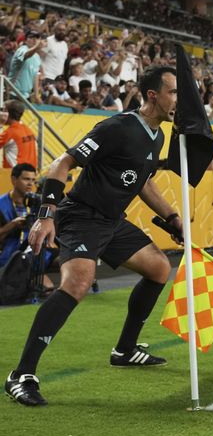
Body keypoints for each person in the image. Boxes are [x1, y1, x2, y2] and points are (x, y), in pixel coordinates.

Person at [4, 66, 184, 406]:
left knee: (159, 268)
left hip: (112, 221)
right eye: (174, 92)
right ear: (153, 95)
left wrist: (173, 218)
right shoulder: (118, 127)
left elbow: (144, 182)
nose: (179, 99)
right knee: (77, 283)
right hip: (81, 216)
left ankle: (125, 350)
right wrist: (46, 216)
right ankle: (21, 374)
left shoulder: (157, 135)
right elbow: (62, 163)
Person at [8, 30, 45, 102]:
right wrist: (37, 46)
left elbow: (35, 75)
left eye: (37, 38)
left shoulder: (37, 57)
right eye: (31, 37)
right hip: (13, 93)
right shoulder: (22, 50)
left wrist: (36, 95)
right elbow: (27, 55)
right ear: (25, 40)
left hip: (26, 96)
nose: (34, 40)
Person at [0, 99, 37, 168]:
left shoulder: (9, 132)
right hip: (30, 172)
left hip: (14, 174)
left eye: (3, 110)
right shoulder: (28, 129)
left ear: (7, 113)